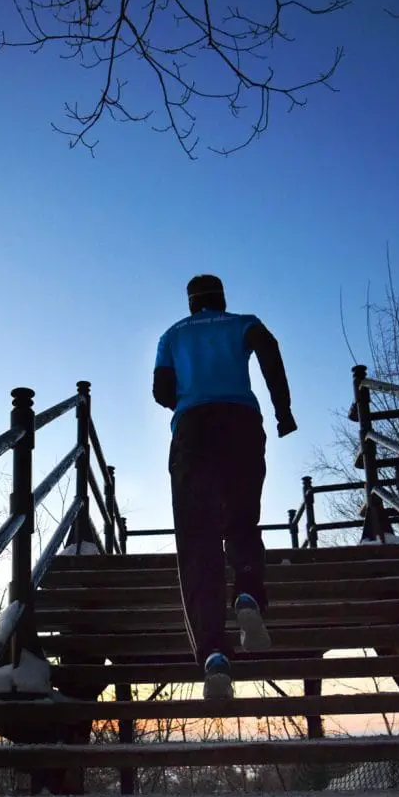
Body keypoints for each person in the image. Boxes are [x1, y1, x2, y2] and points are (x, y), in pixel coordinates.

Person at [153, 274, 297, 700]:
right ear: (221, 299)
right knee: (241, 520)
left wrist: (188, 393)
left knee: (198, 540)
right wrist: (283, 411)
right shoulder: (243, 323)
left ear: (191, 303)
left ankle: (214, 653)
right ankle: (249, 593)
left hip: (194, 431)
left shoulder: (171, 335)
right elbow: (269, 351)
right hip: (242, 425)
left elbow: (162, 392)